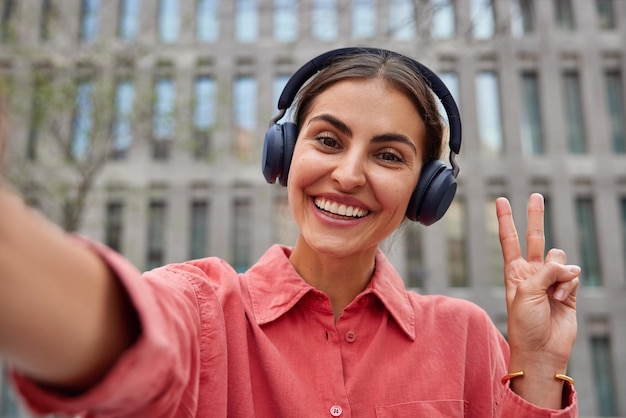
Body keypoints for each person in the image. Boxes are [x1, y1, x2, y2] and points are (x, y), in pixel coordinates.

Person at [0, 48, 579, 417]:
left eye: (388, 155)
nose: (348, 175)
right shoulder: (203, 309)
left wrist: (538, 360)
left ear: (425, 193)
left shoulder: (465, 338)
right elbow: (120, 334)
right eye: (327, 141)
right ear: (284, 155)